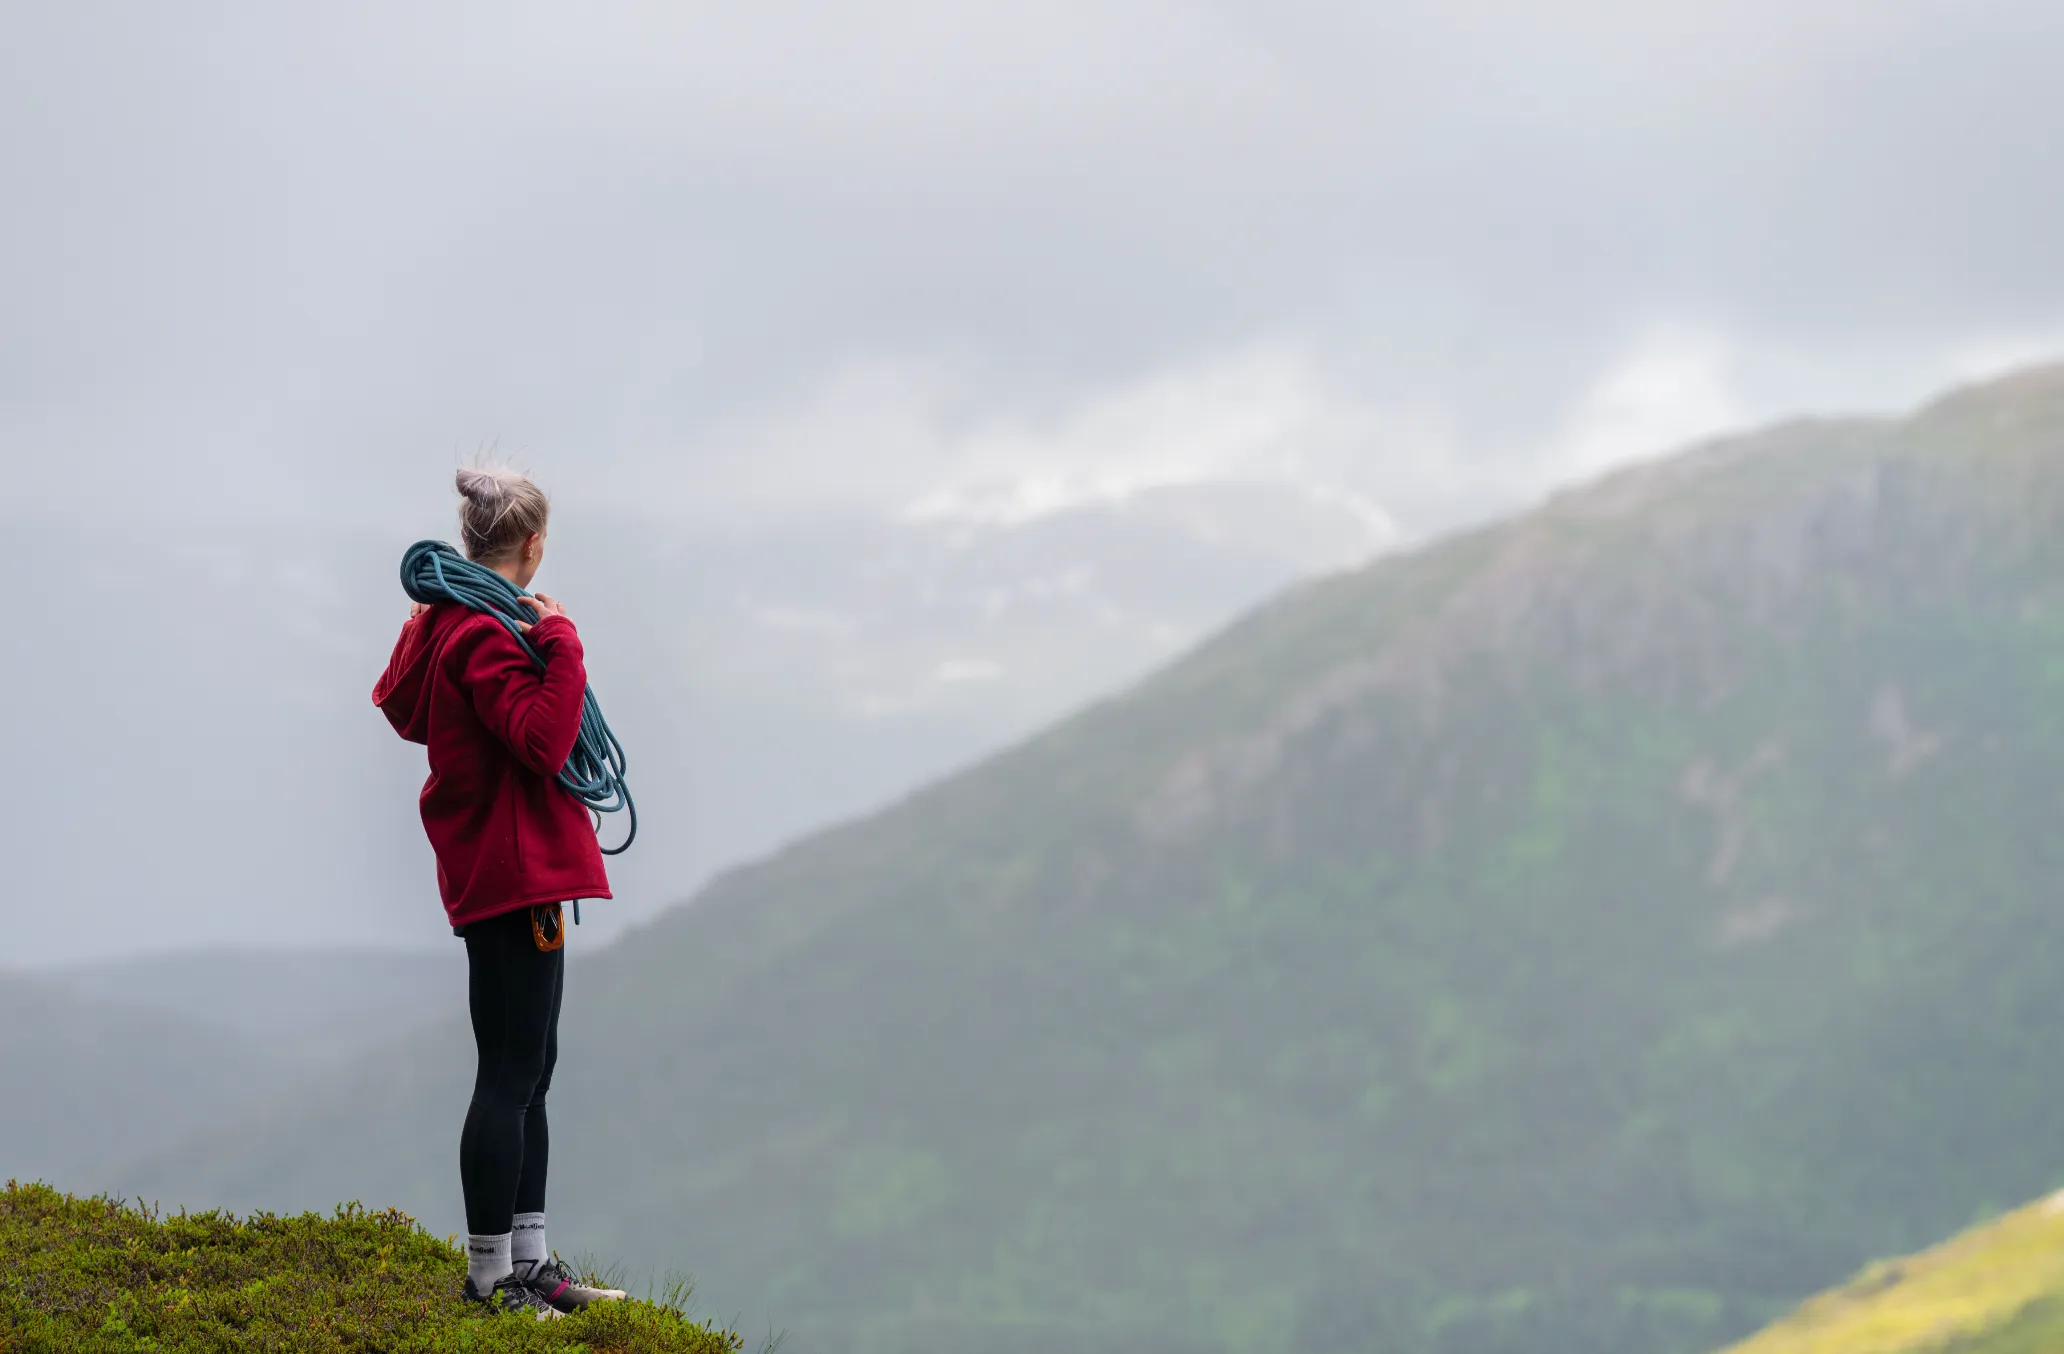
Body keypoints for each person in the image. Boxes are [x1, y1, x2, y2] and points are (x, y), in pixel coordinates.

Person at [372, 467, 628, 1318]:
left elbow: (412, 713)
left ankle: (531, 1263)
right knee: (511, 1073)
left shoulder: (449, 626)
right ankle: (489, 1280)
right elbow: (542, 742)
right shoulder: (487, 633)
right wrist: (563, 643)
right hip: (515, 872)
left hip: (500, 868)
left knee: (532, 1069)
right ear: (534, 545)